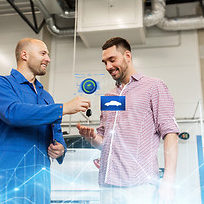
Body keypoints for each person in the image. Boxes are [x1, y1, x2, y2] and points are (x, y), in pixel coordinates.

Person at [0, 38, 90, 204]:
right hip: (7, 179)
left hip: (39, 184)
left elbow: (56, 134)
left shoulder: (46, 98)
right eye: (43, 53)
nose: (48, 59)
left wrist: (60, 149)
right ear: (25, 55)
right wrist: (63, 108)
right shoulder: (1, 85)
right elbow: (13, 113)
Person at [77, 37, 179, 204]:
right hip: (107, 185)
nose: (108, 67)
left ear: (127, 56)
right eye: (105, 62)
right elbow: (104, 143)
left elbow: (170, 133)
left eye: (112, 60)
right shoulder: (109, 97)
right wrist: (92, 138)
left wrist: (169, 180)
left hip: (138, 186)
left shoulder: (154, 87)